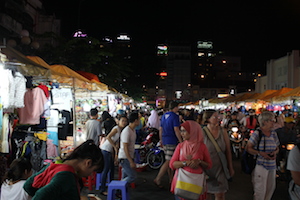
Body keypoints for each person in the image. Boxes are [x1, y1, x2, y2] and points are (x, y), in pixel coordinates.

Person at [23, 140, 104, 200]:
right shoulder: (66, 176)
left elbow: (28, 185)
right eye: (93, 171)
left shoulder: (56, 165)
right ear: (88, 163)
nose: (91, 175)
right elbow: (40, 196)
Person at [169, 120, 212, 200]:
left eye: (184, 131)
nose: (182, 134)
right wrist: (185, 163)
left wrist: (199, 161)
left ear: (193, 131)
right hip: (182, 183)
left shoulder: (202, 147)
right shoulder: (180, 146)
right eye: (181, 131)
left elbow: (209, 165)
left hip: (196, 183)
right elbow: (172, 164)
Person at [246, 111, 280, 200]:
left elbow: (277, 147)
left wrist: (275, 152)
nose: (273, 122)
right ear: (264, 122)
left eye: (274, 120)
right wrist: (260, 153)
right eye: (271, 120)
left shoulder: (273, 133)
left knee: (270, 189)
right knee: (260, 191)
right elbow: (248, 148)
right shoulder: (258, 133)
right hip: (261, 165)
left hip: (272, 166)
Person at [202, 109, 235, 200]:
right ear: (208, 119)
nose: (218, 118)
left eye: (218, 116)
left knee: (220, 195)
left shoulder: (223, 132)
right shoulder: (202, 133)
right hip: (207, 168)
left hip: (220, 168)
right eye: (215, 117)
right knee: (207, 194)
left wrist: (230, 167)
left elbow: (228, 151)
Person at [154, 101, 183, 188]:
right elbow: (176, 130)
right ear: (175, 107)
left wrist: (161, 140)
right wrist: (181, 141)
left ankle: (171, 179)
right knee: (169, 161)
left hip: (165, 140)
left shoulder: (164, 116)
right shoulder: (175, 116)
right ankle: (158, 178)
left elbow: (160, 129)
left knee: (169, 159)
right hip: (172, 140)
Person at [99, 115, 128, 196]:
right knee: (106, 169)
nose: (124, 123)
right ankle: (102, 189)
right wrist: (114, 147)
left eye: (125, 121)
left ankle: (111, 186)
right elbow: (108, 137)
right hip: (106, 149)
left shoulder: (121, 130)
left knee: (112, 169)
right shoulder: (116, 128)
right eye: (122, 121)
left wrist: (115, 152)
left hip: (109, 150)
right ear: (118, 121)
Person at [118, 112, 140, 184]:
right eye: (139, 119)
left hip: (128, 157)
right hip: (124, 158)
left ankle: (120, 192)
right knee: (132, 176)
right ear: (136, 120)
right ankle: (118, 188)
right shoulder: (127, 131)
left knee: (125, 177)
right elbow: (125, 147)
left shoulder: (133, 130)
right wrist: (131, 161)